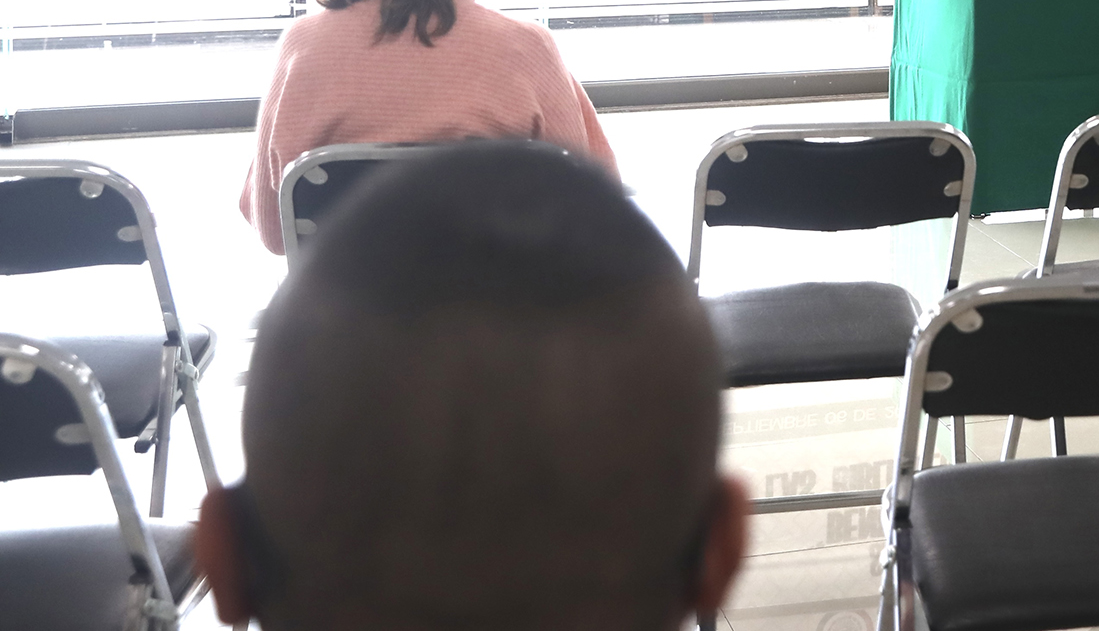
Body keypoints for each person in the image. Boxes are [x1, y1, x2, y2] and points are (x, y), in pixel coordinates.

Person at [194, 140, 748, 631]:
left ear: (223, 557)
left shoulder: (296, 66)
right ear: (722, 552)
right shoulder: (530, 59)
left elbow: (268, 224)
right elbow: (594, 173)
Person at [238, 0, 615, 253]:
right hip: (496, 293)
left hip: (350, 294)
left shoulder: (303, 46)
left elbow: (274, 230)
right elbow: (593, 207)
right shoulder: (526, 49)